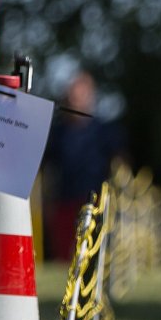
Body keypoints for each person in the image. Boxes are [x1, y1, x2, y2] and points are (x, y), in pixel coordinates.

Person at [42, 70, 128, 260]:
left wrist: (119, 197)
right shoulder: (56, 133)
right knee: (65, 257)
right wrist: (47, 201)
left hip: (96, 203)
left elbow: (120, 164)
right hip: (63, 202)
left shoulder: (105, 131)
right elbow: (48, 170)